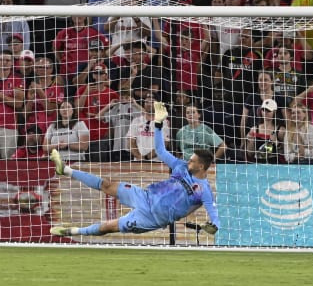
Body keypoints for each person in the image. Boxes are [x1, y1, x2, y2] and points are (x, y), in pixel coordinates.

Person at [49, 101, 220, 237]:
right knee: (107, 185)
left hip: (151, 218)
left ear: (201, 166)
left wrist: (215, 226)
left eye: (192, 161)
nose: (187, 162)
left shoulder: (203, 190)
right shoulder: (180, 166)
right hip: (144, 196)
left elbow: (213, 212)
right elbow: (160, 150)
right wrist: (158, 124)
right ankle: (65, 170)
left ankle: (71, 231)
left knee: (109, 226)